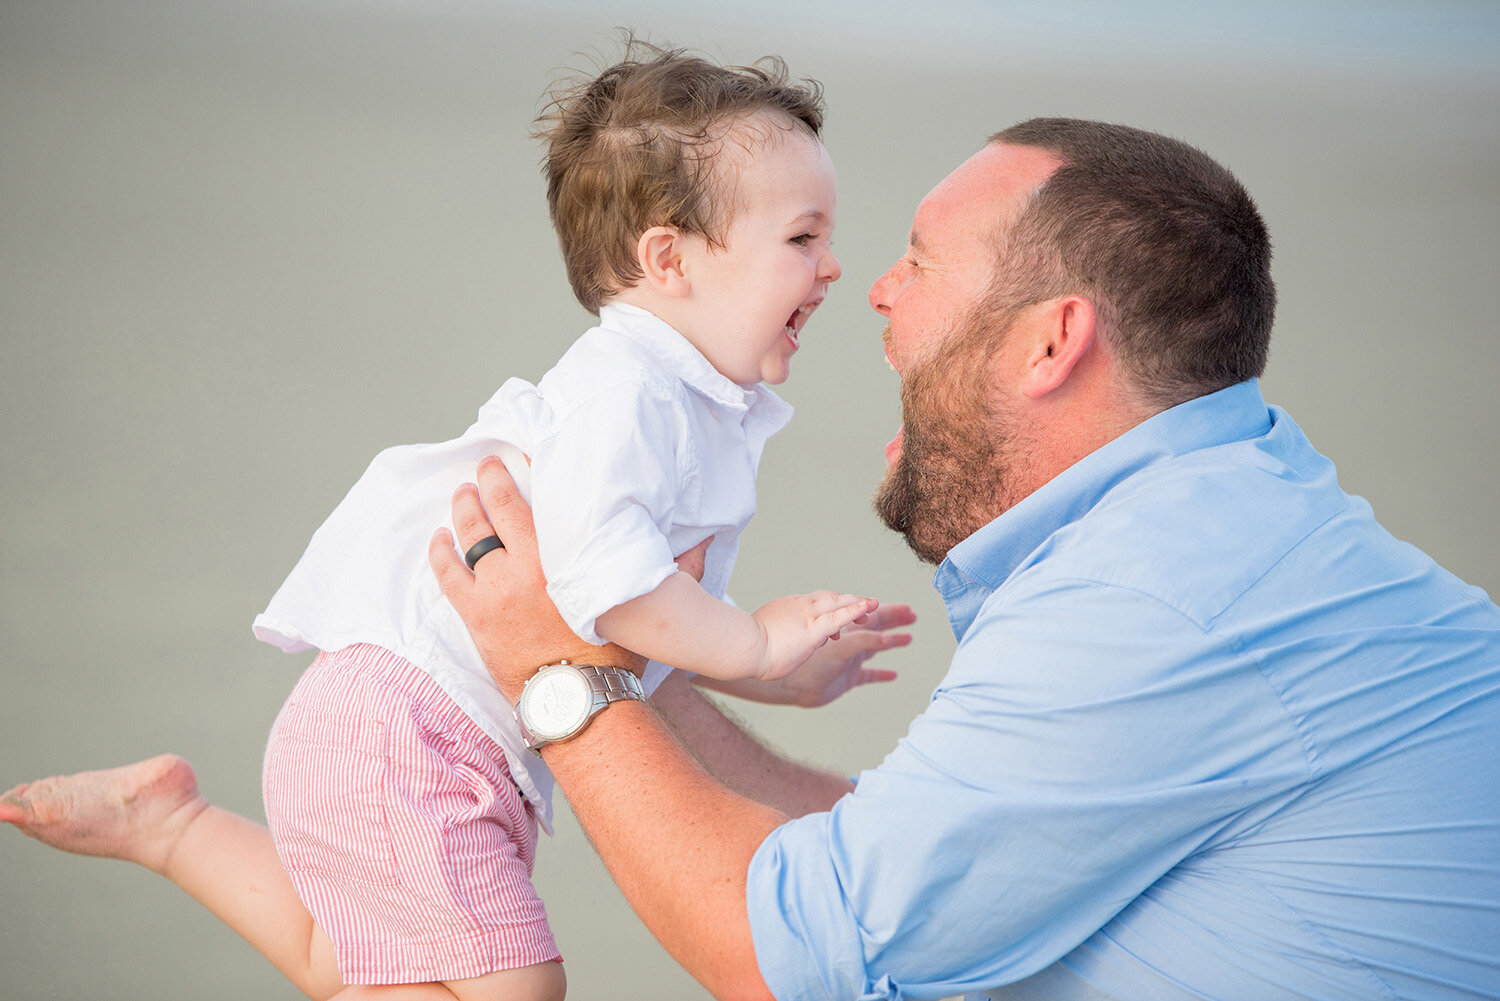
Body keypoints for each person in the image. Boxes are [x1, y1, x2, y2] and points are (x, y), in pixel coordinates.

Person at [428, 118, 1500, 1000]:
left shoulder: (1152, 594)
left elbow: (790, 956)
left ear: (1050, 341)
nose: (874, 288)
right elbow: (913, 868)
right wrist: (628, 653)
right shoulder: (1226, 517)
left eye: (921, 261)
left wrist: (555, 669)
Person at [0, 42, 914, 1001]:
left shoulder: (678, 402)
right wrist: (759, 643)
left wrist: (775, 675)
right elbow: (611, 583)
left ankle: (173, 827)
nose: (836, 265)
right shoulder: (629, 393)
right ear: (669, 258)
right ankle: (172, 830)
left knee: (355, 964)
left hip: (420, 735)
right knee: (516, 986)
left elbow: (631, 627)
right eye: (803, 238)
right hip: (405, 732)